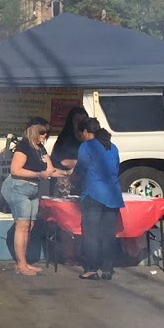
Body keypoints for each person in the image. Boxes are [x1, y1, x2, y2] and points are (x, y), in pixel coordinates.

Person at [74, 118, 124, 280]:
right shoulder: (113, 147)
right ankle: (108, 269)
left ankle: (91, 269)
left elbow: (81, 168)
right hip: (113, 195)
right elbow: (116, 168)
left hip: (94, 195)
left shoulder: (87, 146)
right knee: (109, 234)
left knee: (92, 234)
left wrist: (70, 177)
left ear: (86, 132)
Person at [1, 117, 51, 277]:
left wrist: (67, 172)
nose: (44, 136)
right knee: (22, 226)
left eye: (46, 134)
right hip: (19, 187)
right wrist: (38, 173)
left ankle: (24, 262)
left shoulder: (40, 148)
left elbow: (50, 169)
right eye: (42, 133)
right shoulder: (24, 146)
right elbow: (15, 170)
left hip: (33, 189)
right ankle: (21, 264)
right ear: (34, 131)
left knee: (30, 226)